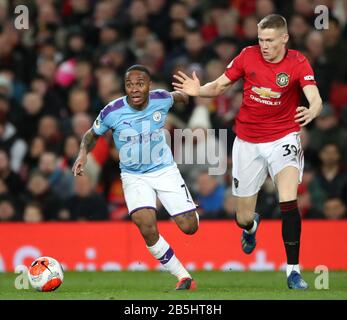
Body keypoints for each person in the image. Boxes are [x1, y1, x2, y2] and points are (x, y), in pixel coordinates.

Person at [173, 14, 323, 290]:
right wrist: (197, 90)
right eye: (260, 39)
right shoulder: (247, 56)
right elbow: (219, 85)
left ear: (284, 38)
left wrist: (312, 109)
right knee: (242, 217)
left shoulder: (298, 62)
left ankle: (293, 271)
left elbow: (314, 96)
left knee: (288, 199)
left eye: (269, 40)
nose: (263, 45)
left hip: (283, 137)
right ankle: (251, 227)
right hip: (247, 142)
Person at [72, 65, 199, 290]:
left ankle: (189, 206)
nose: (134, 89)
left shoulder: (161, 98)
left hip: (165, 170)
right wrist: (83, 154)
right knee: (145, 223)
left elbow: (180, 98)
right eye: (129, 85)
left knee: (189, 227)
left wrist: (189, 93)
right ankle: (183, 276)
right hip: (133, 176)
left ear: (149, 85)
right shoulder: (112, 111)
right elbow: (91, 135)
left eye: (140, 84)